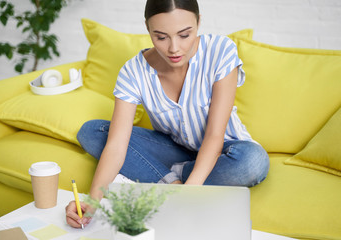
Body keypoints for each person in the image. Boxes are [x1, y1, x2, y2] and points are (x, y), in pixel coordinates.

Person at [66, 0, 269, 228]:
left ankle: (164, 180)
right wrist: (93, 202)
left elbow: (214, 135)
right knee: (92, 132)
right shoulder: (133, 71)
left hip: (226, 150)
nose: (174, 48)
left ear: (199, 21)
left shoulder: (220, 51)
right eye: (161, 37)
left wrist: (187, 195)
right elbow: (115, 146)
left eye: (184, 35)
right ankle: (172, 182)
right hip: (173, 151)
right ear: (148, 28)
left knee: (253, 162)